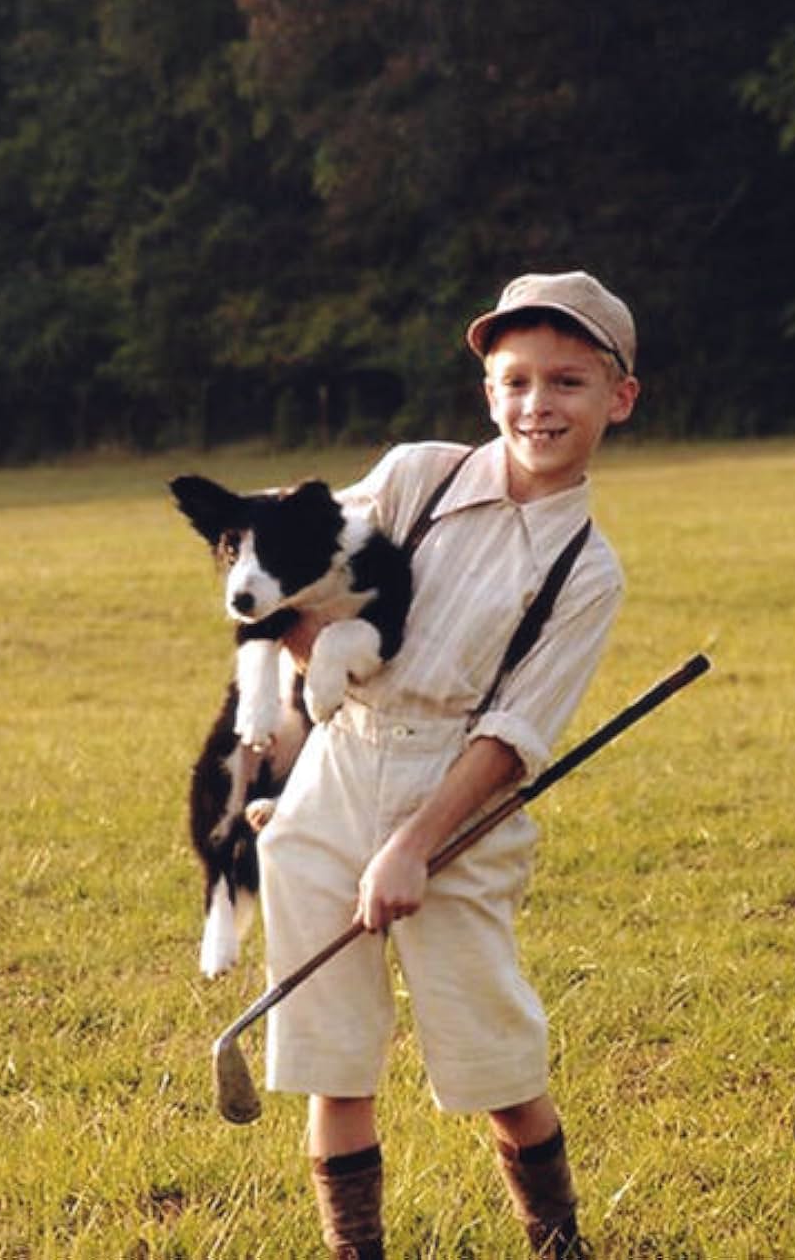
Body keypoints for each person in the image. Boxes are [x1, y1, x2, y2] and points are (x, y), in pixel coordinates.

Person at [254, 270, 640, 1258]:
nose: (536, 405)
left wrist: (414, 847)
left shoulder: (584, 568)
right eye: (514, 381)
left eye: (567, 383)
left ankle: (557, 1244)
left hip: (460, 808)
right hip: (337, 774)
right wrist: (297, 694)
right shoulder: (415, 474)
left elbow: (511, 737)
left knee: (493, 1065)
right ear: (486, 393)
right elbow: (289, 568)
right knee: (333, 1060)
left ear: (618, 397)